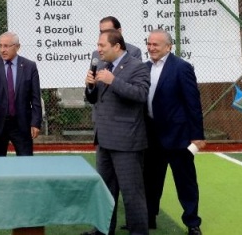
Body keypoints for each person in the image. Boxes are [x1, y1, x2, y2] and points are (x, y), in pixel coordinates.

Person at [84, 29, 150, 235]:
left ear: (116, 46)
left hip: (126, 141)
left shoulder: (137, 66)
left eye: (102, 45)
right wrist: (90, 87)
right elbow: (94, 99)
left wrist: (114, 80)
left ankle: (138, 232)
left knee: (132, 194)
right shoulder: (102, 66)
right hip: (103, 139)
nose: (98, 49)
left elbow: (140, 94)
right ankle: (103, 230)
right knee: (104, 191)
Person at [143, 30, 205, 235]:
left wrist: (197, 136)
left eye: (156, 45)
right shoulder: (143, 68)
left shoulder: (182, 68)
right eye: (149, 44)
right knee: (150, 179)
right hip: (151, 135)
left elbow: (193, 103)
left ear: (168, 47)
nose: (151, 48)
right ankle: (149, 217)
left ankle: (192, 222)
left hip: (178, 137)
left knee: (185, 182)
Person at [0, 31, 42, 156]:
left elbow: (35, 98)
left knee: (26, 164)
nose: (2, 50)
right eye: (0, 45)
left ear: (17, 47)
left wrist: (35, 122)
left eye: (6, 46)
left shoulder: (30, 67)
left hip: (21, 125)